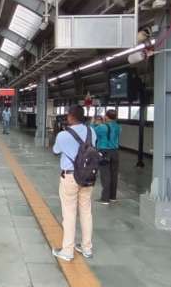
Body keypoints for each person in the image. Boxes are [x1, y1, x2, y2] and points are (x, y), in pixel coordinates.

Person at [51, 105, 97, 261]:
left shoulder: (63, 135)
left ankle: (67, 251)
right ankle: (87, 248)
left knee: (69, 213)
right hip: (87, 178)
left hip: (70, 177)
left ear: (70, 116)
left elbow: (56, 151)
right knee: (86, 212)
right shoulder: (92, 132)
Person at [94, 109, 121, 205]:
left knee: (105, 175)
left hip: (104, 152)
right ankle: (112, 197)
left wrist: (95, 123)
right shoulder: (118, 126)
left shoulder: (102, 127)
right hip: (115, 152)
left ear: (106, 117)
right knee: (114, 175)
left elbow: (93, 131)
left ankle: (105, 199)